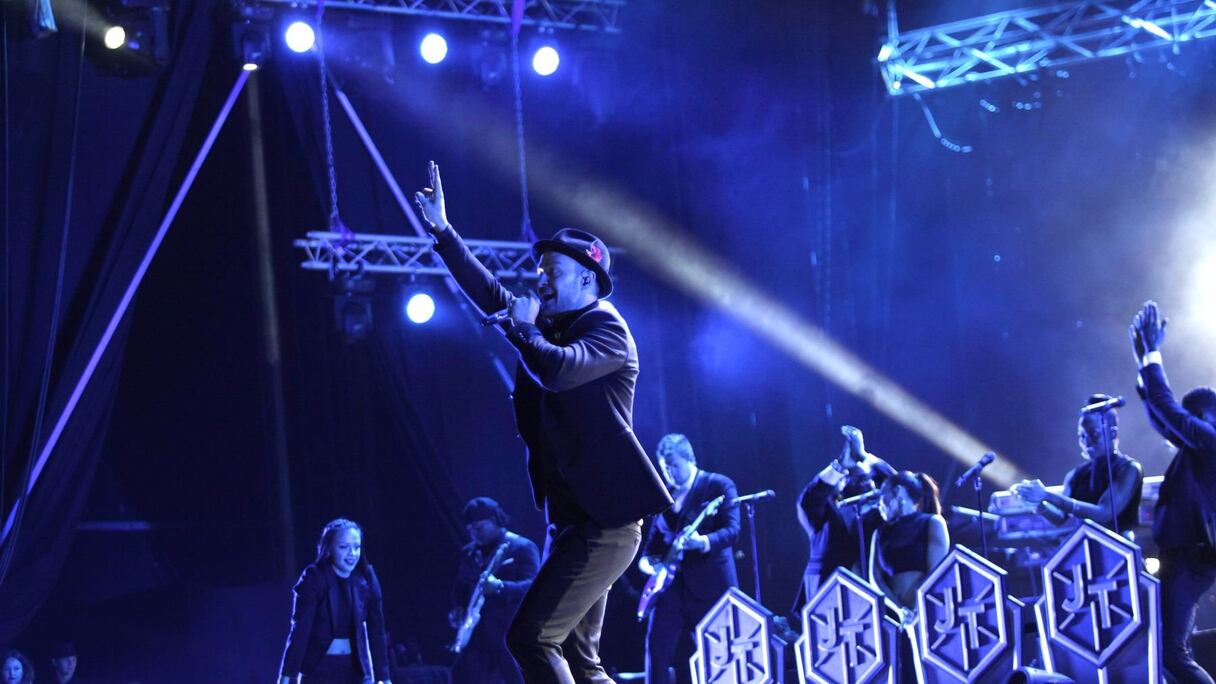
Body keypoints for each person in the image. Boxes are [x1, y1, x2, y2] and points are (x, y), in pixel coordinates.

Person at [414, 161, 672, 684]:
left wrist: (524, 330)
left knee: (530, 637)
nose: (539, 282)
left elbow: (558, 371)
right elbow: (492, 295)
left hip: (607, 523)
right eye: (539, 274)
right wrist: (444, 232)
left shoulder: (607, 329)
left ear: (585, 278)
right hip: (576, 519)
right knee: (580, 659)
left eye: (549, 274)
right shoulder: (550, 325)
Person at [1130, 300, 1216, 683]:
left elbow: (1169, 414)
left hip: (1192, 555)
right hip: (1182, 554)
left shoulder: (1211, 437)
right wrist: (1143, 366)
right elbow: (1165, 421)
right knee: (1167, 650)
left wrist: (1151, 355)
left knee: (1170, 652)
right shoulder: (1198, 444)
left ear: (1203, 415)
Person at [638, 434, 739, 684]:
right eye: (665, 468)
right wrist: (649, 564)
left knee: (717, 653)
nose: (670, 473)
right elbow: (650, 548)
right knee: (657, 649)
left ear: (690, 458)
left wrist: (703, 542)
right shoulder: (665, 498)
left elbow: (732, 531)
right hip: (671, 589)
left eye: (674, 465)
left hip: (711, 587)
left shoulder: (717, 485)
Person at [278, 518, 393, 684]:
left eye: (357, 547)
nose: (352, 553)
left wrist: (384, 677)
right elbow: (300, 629)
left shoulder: (366, 577)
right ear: (329, 549)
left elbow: (377, 630)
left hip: (356, 670)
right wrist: (288, 675)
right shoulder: (314, 577)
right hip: (319, 669)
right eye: (343, 547)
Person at [1011, 395, 1144, 536]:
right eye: (1082, 436)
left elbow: (1103, 514)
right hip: (1085, 547)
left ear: (1112, 433)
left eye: (1094, 434)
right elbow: (1061, 519)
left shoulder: (1129, 468)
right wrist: (1038, 504)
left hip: (1122, 549)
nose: (1087, 442)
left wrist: (1047, 495)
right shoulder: (1077, 474)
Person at [796, 425, 896, 607]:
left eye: (867, 478)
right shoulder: (824, 514)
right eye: (850, 476)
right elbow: (810, 498)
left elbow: (899, 486)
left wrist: (865, 456)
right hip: (829, 599)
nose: (863, 482)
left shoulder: (880, 515)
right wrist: (841, 465)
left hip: (875, 596)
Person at [870, 471, 949, 684]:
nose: (880, 503)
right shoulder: (880, 533)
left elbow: (937, 572)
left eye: (882, 495)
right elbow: (875, 578)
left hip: (927, 614)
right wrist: (899, 610)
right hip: (894, 617)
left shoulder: (931, 522)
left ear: (897, 492)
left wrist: (916, 609)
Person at [451, 498, 541, 684]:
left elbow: (535, 588)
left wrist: (500, 587)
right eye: (470, 530)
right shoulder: (468, 553)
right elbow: (460, 586)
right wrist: (458, 609)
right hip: (477, 637)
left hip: (511, 636)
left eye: (479, 528)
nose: (474, 534)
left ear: (494, 519)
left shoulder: (521, 547)